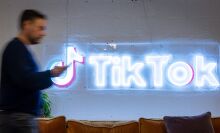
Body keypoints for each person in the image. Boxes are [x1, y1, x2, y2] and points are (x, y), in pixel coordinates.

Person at [0, 9, 67, 133]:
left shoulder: (21, 50)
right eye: (40, 28)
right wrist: (51, 73)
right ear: (27, 25)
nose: (43, 33)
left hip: (20, 119)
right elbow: (26, 80)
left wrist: (51, 75)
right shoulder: (15, 49)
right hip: (19, 120)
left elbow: (30, 80)